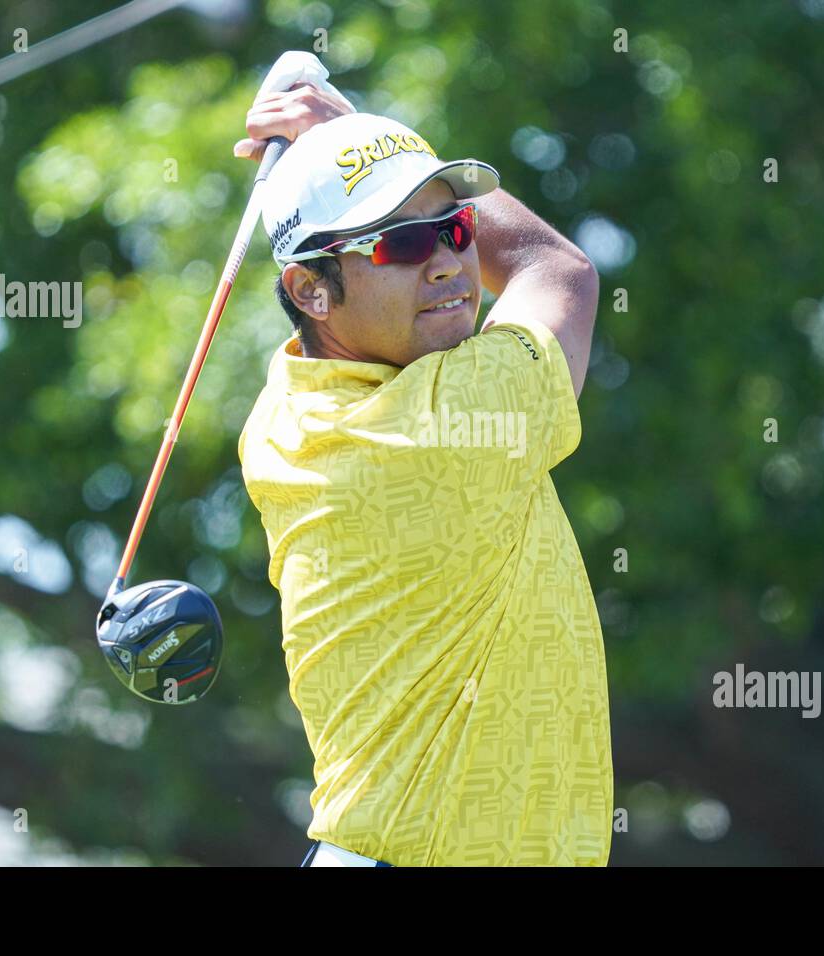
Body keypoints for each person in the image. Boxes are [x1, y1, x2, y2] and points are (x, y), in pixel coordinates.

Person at [234, 82, 612, 866]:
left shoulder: (284, 416)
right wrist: (350, 128)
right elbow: (555, 268)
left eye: (455, 226)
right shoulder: (450, 421)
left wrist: (353, 150)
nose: (447, 265)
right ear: (309, 288)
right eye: (400, 244)